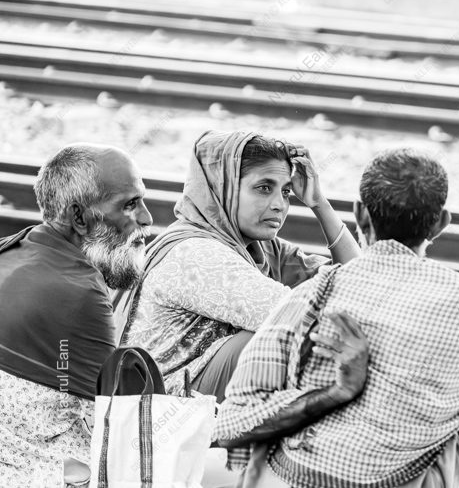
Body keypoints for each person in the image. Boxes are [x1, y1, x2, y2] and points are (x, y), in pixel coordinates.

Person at [214, 148, 459, 488]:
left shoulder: (312, 295)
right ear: (440, 223)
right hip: (401, 479)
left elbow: (232, 427)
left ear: (360, 214)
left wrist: (336, 393)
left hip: (292, 476)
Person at [118, 131, 360, 402]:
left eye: (286, 192)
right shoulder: (195, 254)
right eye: (264, 188)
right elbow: (302, 317)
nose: (279, 205)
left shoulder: (260, 248)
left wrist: (319, 203)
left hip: (200, 397)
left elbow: (358, 283)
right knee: (274, 340)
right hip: (165, 411)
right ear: (222, 187)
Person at [0, 144, 153, 487]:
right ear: (79, 218)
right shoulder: (81, 290)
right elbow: (114, 428)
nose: (147, 218)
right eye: (130, 204)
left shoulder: (10, 246)